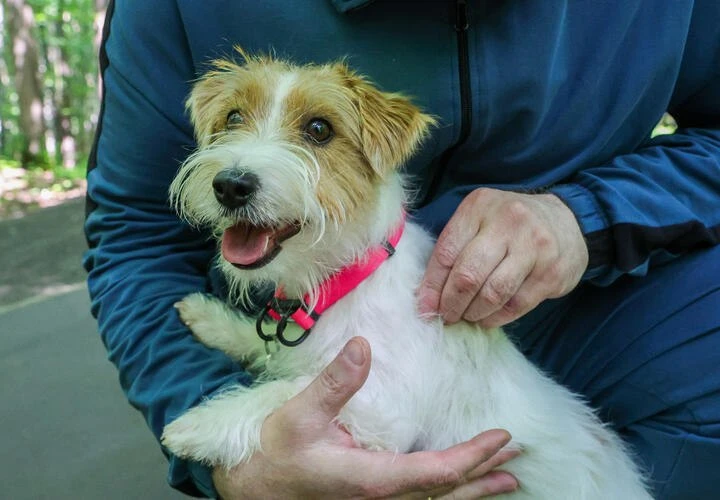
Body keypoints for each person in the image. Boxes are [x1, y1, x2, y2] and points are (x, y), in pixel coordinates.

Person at [83, 1, 720, 498]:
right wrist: (226, 426)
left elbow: (372, 415)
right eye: (231, 120)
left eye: (315, 130)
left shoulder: (392, 280)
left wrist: (584, 217)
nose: (240, 164)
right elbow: (134, 232)